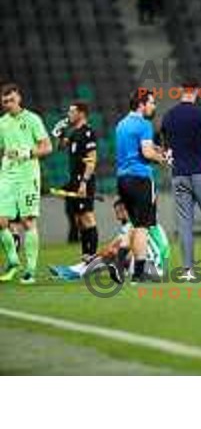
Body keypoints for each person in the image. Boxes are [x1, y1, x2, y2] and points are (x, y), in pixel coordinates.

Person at [160, 84, 201, 278]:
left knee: (184, 225)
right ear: (197, 92)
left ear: (181, 91)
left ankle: (188, 270)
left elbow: (165, 148)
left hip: (179, 175)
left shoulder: (169, 116)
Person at [0, 83, 52, 284]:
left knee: (27, 222)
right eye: (5, 102)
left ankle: (30, 269)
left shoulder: (32, 119)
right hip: (7, 176)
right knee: (2, 221)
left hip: (27, 176)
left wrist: (28, 152)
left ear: (19, 98)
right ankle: (13, 259)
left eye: (11, 100)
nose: (8, 104)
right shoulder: (2, 122)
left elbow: (47, 147)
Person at [49, 198, 170, 281]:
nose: (117, 215)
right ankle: (75, 271)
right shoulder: (148, 222)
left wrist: (92, 257)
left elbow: (111, 249)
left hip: (149, 270)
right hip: (159, 270)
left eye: (118, 211)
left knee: (112, 254)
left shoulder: (134, 224)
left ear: (125, 209)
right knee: (118, 254)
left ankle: (75, 272)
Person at [116, 90, 168, 283]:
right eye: (151, 103)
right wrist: (162, 158)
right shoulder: (144, 124)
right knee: (142, 227)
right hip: (140, 178)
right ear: (141, 104)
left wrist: (155, 150)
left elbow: (135, 149)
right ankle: (138, 274)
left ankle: (119, 263)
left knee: (133, 224)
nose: (153, 107)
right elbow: (146, 153)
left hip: (123, 179)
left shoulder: (121, 124)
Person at [52, 101, 99, 261]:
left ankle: (91, 256)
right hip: (74, 180)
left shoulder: (87, 132)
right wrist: (59, 134)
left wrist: (84, 182)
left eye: (72, 112)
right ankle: (85, 256)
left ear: (81, 113)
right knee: (79, 219)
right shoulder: (74, 133)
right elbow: (60, 147)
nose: (69, 115)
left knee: (87, 216)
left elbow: (92, 160)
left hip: (83, 180)